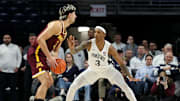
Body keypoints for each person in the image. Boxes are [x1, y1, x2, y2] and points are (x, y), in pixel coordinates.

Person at [66, 25, 137, 101]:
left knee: (125, 87)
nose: (96, 34)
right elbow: (73, 51)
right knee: (73, 86)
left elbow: (121, 63)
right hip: (93, 70)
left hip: (107, 70)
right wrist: (71, 47)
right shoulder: (89, 43)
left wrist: (129, 76)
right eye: (95, 32)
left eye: (98, 32)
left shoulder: (109, 47)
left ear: (104, 35)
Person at [27, 4, 77, 101]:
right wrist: (49, 57)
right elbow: (40, 39)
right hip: (36, 53)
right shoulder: (56, 25)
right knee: (45, 81)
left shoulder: (64, 33)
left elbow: (55, 50)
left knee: (49, 82)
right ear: (69, 14)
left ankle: (35, 98)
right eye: (74, 14)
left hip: (43, 55)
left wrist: (56, 62)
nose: (76, 16)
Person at [0, 34, 22, 101]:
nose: (7, 39)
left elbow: (19, 57)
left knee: (13, 88)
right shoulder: (0, 47)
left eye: (8, 38)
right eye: (5, 38)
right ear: (3, 39)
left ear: (11, 39)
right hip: (2, 71)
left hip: (13, 71)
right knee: (1, 88)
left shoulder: (15, 47)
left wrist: (18, 66)